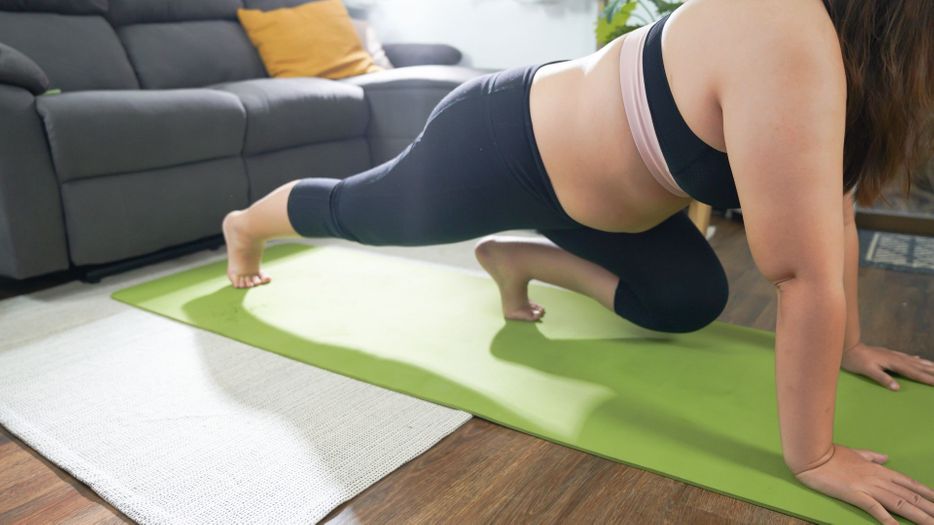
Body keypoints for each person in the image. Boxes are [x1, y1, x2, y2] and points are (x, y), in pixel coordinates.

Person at [221, 0, 934, 521]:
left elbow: (833, 209)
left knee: (686, 299)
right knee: (358, 212)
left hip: (596, 208)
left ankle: (516, 259)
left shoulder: (846, 62)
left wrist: (849, 344)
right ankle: (246, 223)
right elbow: (798, 273)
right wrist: (812, 455)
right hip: (501, 145)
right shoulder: (781, 24)